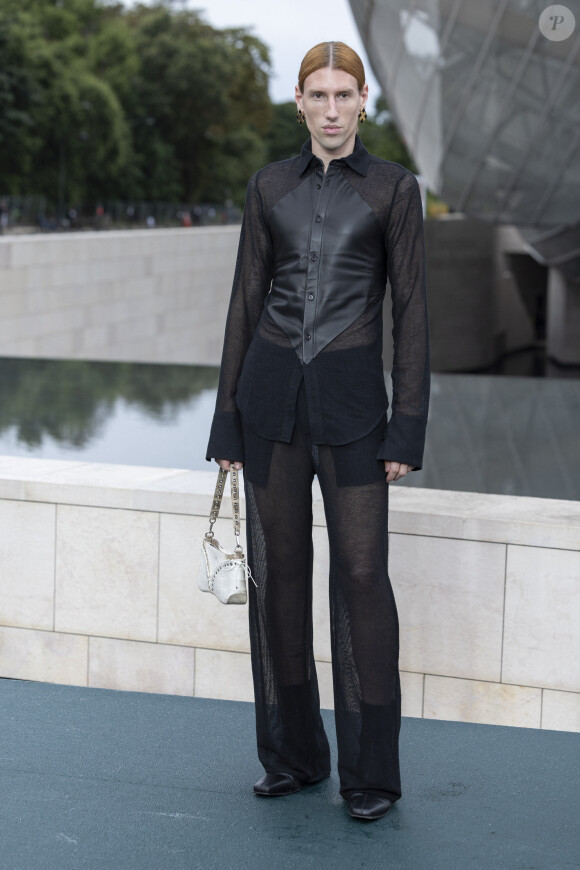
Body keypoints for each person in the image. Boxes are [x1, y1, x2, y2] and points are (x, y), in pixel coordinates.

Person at [206, 41, 430, 821]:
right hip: (269, 406)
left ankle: (372, 774)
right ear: (299, 101)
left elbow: (411, 314)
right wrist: (226, 417)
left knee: (363, 582)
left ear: (364, 100)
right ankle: (294, 757)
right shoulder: (267, 185)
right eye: (317, 95)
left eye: (344, 94)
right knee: (281, 582)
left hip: (355, 414)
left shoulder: (395, 190)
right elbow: (243, 303)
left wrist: (408, 427)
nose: (331, 109)